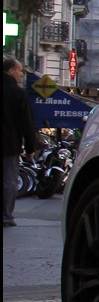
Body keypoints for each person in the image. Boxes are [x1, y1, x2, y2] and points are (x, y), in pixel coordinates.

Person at [3, 55, 41, 227]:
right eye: (19, 71)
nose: (21, 74)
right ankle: (6, 215)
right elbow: (26, 122)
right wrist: (31, 147)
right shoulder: (18, 93)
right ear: (10, 71)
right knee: (9, 180)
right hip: (8, 144)